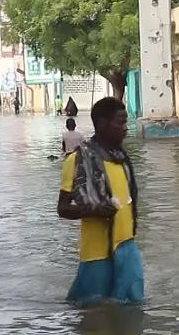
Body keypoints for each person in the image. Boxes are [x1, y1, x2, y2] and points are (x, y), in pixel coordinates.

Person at [57, 97, 143, 305]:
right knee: (93, 316)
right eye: (120, 123)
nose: (125, 128)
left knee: (133, 315)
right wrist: (93, 210)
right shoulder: (77, 161)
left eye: (126, 123)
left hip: (126, 250)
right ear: (102, 124)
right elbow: (63, 208)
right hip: (96, 256)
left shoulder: (121, 159)